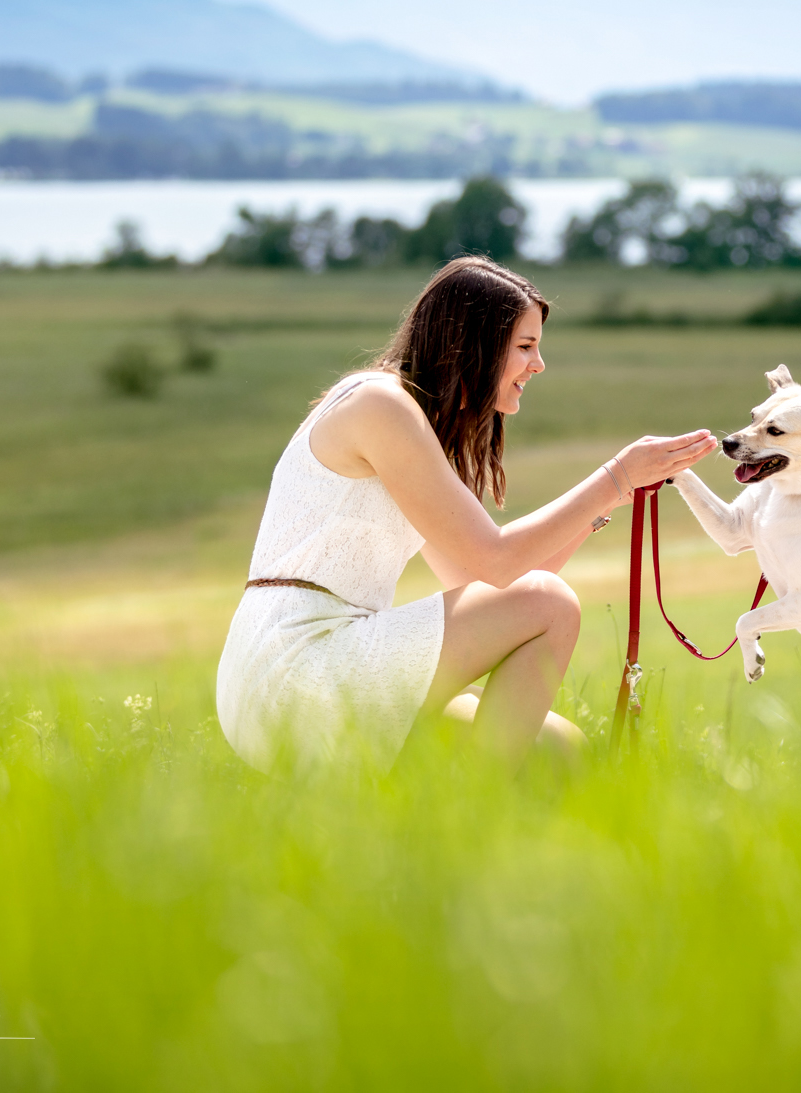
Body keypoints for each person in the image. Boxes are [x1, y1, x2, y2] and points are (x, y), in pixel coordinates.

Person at [216, 256, 718, 769]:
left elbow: (488, 581)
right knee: (552, 603)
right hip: (297, 665)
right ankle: (476, 803)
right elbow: (499, 565)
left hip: (319, 665)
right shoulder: (381, 406)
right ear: (474, 342)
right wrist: (615, 474)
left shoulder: (411, 422)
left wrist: (610, 496)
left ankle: (451, 803)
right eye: (525, 346)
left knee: (561, 751)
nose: (538, 364)